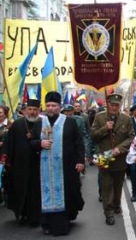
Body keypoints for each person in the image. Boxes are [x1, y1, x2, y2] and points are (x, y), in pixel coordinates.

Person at [30, 92, 85, 236]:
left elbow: (79, 143)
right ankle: (46, 223)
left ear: (59, 107)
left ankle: (64, 222)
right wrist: (40, 143)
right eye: (48, 105)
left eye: (54, 105)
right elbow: (31, 143)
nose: (50, 108)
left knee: (66, 192)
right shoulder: (39, 123)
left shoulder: (70, 122)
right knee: (45, 194)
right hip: (44, 169)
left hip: (65, 167)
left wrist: (80, 161)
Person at [90, 93, 135, 226]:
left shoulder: (126, 119)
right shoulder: (99, 117)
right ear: (107, 104)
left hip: (119, 158)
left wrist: (119, 149)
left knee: (118, 185)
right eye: (112, 105)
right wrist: (105, 128)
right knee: (107, 186)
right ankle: (108, 212)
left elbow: (131, 137)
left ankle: (116, 203)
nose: (114, 107)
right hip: (104, 157)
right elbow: (93, 136)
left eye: (117, 105)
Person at [0, 100, 41, 226]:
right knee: (21, 189)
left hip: (37, 165)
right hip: (20, 165)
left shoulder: (42, 124)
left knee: (35, 191)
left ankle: (35, 216)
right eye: (29, 109)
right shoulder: (17, 125)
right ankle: (22, 214)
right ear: (24, 110)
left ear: (38, 110)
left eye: (35, 109)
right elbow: (8, 144)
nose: (32, 112)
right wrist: (6, 161)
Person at [0, 106, 12, 205]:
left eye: (0, 112)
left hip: (4, 155)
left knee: (5, 176)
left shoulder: (11, 125)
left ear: (5, 114)